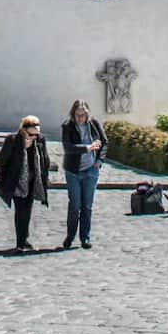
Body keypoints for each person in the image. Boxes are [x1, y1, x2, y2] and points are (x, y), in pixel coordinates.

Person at [0, 115, 50, 252]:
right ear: (24, 130)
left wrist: (44, 176)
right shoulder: (13, 140)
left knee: (28, 209)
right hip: (16, 181)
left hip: (33, 180)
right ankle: (20, 242)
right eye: (31, 134)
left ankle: (24, 238)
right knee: (20, 210)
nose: (34, 137)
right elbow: (3, 160)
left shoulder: (40, 140)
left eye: (36, 134)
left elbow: (45, 159)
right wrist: (2, 178)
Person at [60, 99, 106, 250]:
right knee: (75, 205)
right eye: (78, 115)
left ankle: (85, 237)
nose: (81, 118)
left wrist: (99, 160)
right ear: (73, 114)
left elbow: (104, 142)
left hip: (91, 169)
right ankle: (70, 236)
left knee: (87, 205)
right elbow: (68, 147)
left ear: (87, 114)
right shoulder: (68, 126)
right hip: (73, 171)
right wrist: (87, 148)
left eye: (83, 114)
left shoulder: (93, 124)